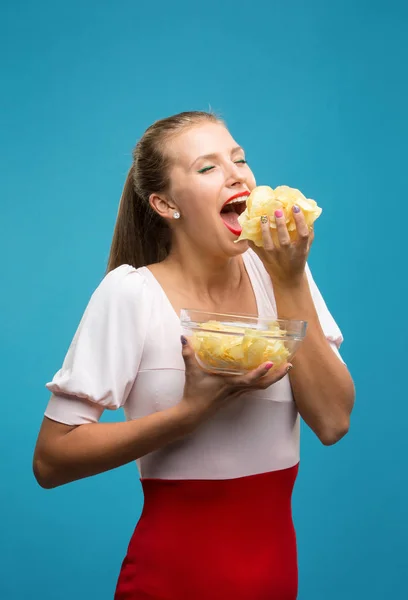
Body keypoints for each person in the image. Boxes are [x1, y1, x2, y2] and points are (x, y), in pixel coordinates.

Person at [33, 111, 355, 600]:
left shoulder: (285, 276)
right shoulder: (131, 295)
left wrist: (290, 280)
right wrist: (188, 414)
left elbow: (333, 423)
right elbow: (51, 461)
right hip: (169, 581)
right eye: (207, 168)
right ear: (164, 203)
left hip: (275, 582)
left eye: (239, 159)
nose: (236, 174)